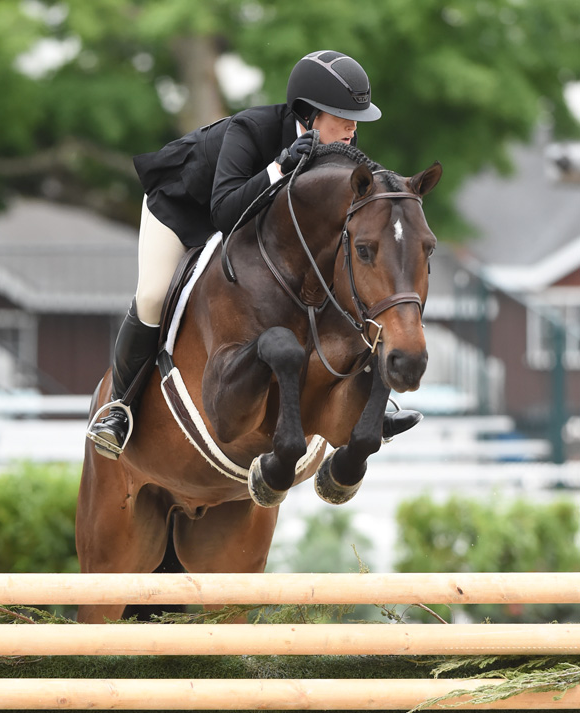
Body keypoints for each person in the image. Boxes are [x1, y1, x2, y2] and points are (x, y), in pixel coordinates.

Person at [87, 50, 422, 460]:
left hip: (255, 220)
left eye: (356, 119)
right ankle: (118, 407)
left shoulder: (341, 141)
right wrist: (278, 167)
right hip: (183, 205)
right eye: (343, 116)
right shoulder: (251, 130)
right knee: (154, 296)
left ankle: (367, 400)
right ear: (308, 112)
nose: (352, 128)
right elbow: (225, 212)